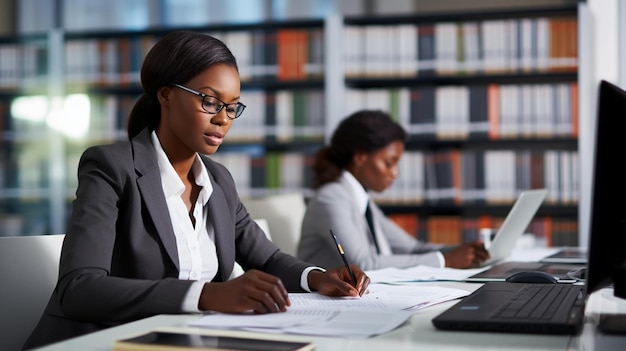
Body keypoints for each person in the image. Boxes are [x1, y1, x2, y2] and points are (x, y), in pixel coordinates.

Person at [24, 31, 369, 349]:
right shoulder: (111, 167)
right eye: (210, 101)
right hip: (102, 342)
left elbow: (267, 258)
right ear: (166, 95)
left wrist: (317, 278)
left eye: (232, 106)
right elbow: (79, 288)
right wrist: (205, 295)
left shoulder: (218, 182)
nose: (223, 118)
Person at [297, 110, 490, 271]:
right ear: (361, 157)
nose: (395, 174)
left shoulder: (361, 200)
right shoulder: (331, 197)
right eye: (389, 163)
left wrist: (464, 251)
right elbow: (363, 264)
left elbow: (413, 248)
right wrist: (445, 261)